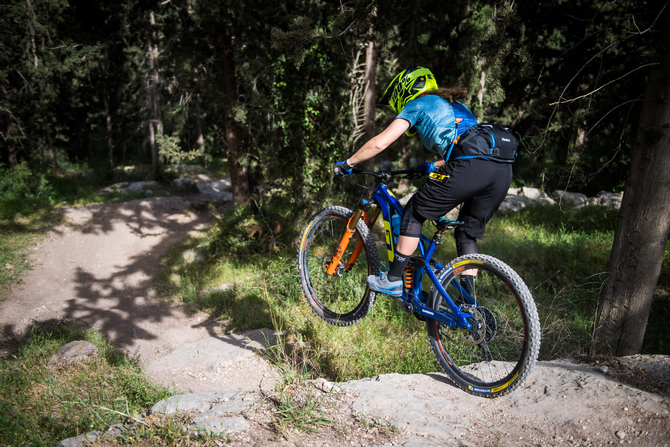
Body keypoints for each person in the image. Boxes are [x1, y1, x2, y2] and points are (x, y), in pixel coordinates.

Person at [333, 66, 513, 297]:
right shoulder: (456, 105)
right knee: (465, 233)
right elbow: (472, 150)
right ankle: (468, 302)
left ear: (405, 90)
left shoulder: (418, 103)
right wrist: (431, 166)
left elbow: (379, 143)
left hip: (471, 167)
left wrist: (348, 163)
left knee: (414, 211)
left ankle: (393, 280)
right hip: (502, 171)